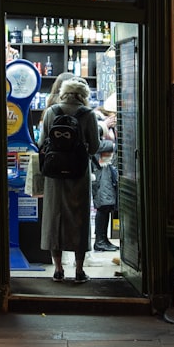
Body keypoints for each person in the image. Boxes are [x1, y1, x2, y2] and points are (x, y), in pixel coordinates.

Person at [39, 76, 100, 283]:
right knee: (79, 218)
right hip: (79, 174)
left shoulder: (50, 112)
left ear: (63, 92)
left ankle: (57, 269)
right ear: (83, 96)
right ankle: (79, 270)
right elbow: (94, 148)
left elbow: (41, 143)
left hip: (54, 174)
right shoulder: (88, 114)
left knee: (54, 217)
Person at [91, 138, 119, 252]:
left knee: (106, 206)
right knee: (103, 206)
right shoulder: (99, 125)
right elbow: (96, 146)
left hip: (106, 174)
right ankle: (99, 241)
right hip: (100, 175)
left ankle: (103, 239)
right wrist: (112, 144)